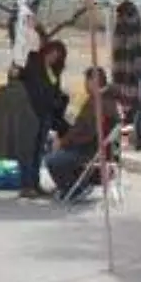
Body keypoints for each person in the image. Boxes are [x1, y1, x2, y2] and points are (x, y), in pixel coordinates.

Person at [45, 66, 123, 201]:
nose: (84, 86)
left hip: (90, 150)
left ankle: (73, 188)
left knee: (52, 159)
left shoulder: (98, 103)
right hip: (100, 149)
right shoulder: (108, 100)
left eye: (86, 82)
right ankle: (74, 184)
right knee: (54, 143)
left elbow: (86, 132)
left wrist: (64, 142)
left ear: (94, 81)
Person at [17, 40, 70, 199]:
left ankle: (35, 183)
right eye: (53, 53)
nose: (54, 57)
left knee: (38, 151)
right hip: (31, 111)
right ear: (47, 50)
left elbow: (53, 89)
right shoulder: (33, 63)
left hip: (46, 113)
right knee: (29, 149)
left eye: (58, 56)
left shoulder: (53, 70)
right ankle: (26, 185)